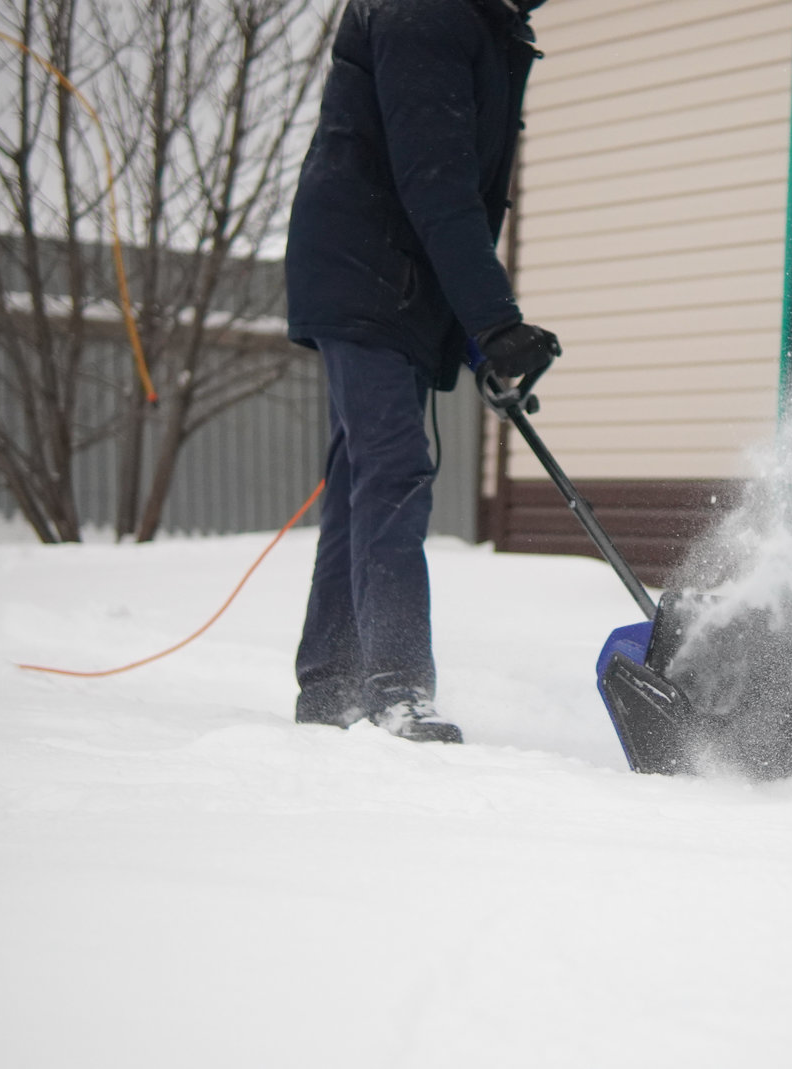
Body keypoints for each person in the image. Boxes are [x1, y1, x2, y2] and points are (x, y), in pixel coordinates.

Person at [284, 0, 558, 743]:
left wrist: (480, 333)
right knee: (394, 469)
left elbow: (454, 190)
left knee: (364, 477)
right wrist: (493, 320)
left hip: (396, 278)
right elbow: (435, 179)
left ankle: (332, 687)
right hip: (362, 270)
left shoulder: (485, 23)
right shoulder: (425, 10)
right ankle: (396, 690)